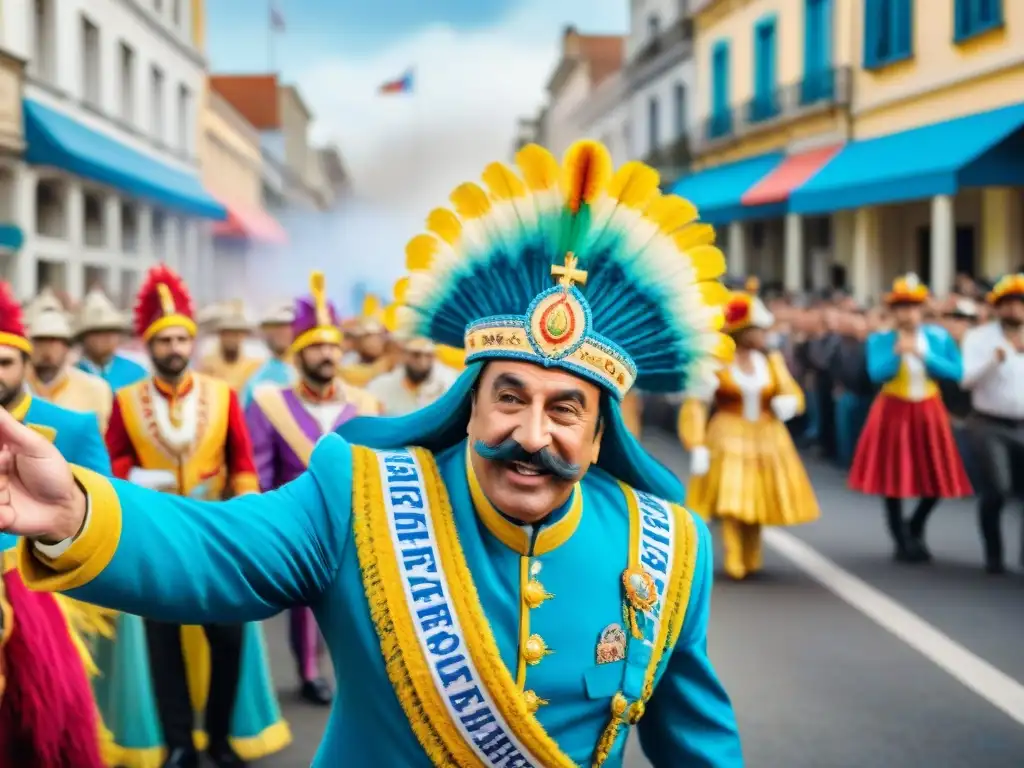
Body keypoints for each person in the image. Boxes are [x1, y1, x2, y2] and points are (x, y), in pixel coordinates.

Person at [7, 140, 743, 767]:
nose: (532, 435)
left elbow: (700, 749)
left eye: (565, 410)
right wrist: (76, 510)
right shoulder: (358, 495)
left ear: (599, 433)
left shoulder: (670, 550)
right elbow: (215, 550)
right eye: (510, 398)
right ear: (470, 403)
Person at [100, 265, 289, 768]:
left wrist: (246, 514)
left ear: (192, 341)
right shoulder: (126, 401)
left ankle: (222, 737)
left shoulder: (222, 396)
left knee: (227, 636)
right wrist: (137, 477)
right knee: (163, 643)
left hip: (215, 534)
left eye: (183, 338)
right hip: (155, 536)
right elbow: (112, 461)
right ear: (150, 346)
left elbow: (244, 464)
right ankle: (180, 740)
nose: (175, 348)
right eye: (165, 341)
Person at [245, 271, 380, 705]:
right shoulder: (270, 403)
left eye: (332, 346)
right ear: (298, 353)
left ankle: (356, 674)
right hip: (296, 524)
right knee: (304, 607)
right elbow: (259, 469)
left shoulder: (365, 405)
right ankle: (307, 672)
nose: (326, 353)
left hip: (356, 524)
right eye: (316, 346)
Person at [0, 280, 111, 767]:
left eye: (4, 361)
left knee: (46, 731)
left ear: (26, 365)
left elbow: (105, 513)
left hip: (47, 600)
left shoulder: (72, 425)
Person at [680, 288, 820, 580]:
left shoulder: (771, 362)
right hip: (728, 433)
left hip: (767, 435)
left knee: (758, 496)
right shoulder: (717, 364)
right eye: (758, 329)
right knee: (732, 500)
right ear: (744, 332)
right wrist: (696, 444)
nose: (765, 334)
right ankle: (734, 556)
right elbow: (696, 404)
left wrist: (790, 402)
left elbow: (791, 390)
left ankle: (753, 555)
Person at [849, 274, 972, 563]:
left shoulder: (937, 338)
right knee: (893, 476)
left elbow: (957, 372)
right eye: (902, 307)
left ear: (922, 310)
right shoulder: (880, 339)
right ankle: (899, 537)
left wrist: (923, 354)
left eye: (913, 307)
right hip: (893, 409)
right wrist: (896, 355)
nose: (908, 313)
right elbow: (876, 373)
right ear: (894, 311)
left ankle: (916, 523)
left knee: (938, 474)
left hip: (929, 408)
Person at [960, 274, 1024, 574]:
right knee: (998, 489)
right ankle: (994, 555)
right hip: (989, 423)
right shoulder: (979, 338)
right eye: (1009, 304)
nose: (1015, 310)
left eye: (1020, 304)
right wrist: (994, 361)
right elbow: (966, 381)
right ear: (997, 308)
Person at [24, 297, 114, 433]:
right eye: (39, 340)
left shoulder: (95, 389)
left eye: (54, 341)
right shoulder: (15, 388)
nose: (46, 349)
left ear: (67, 347)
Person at [74, 287, 149, 392]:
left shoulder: (136, 372)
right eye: (98, 332)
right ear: (83, 337)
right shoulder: (71, 375)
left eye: (112, 331)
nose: (106, 338)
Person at [367, 330, 455, 416]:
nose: (422, 362)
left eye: (428, 356)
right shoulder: (381, 385)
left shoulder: (448, 384)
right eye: (416, 355)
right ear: (404, 355)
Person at [239, 302, 296, 409]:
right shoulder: (256, 375)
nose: (281, 332)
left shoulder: (310, 369)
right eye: (275, 327)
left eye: (286, 327)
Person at [197, 300, 262, 393]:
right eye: (227, 333)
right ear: (220, 334)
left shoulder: (254, 366)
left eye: (236, 334)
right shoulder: (208, 365)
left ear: (243, 335)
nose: (231, 338)